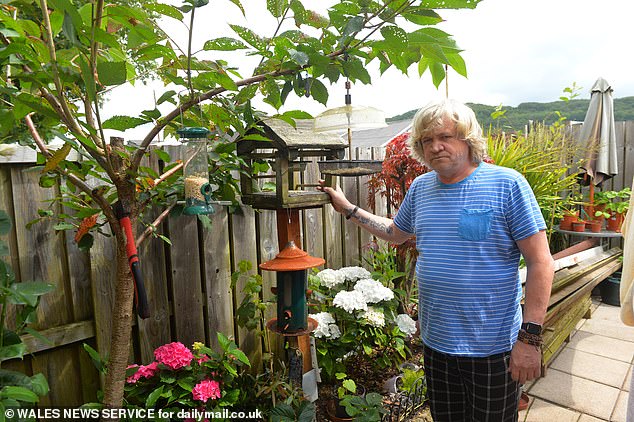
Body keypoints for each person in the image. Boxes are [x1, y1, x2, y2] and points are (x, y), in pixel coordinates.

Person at [318, 99, 554, 421]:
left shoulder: (507, 184)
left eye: (444, 136)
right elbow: (395, 232)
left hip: (493, 348)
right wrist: (348, 208)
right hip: (436, 345)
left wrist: (529, 339)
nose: (435, 146)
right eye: (426, 140)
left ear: (468, 139)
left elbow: (541, 262)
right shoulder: (420, 187)